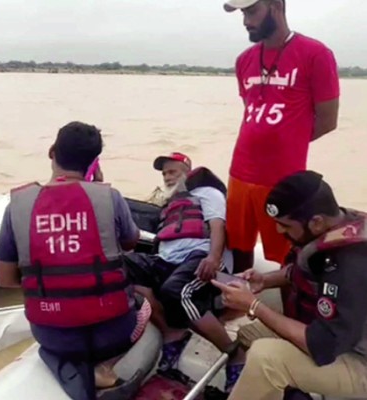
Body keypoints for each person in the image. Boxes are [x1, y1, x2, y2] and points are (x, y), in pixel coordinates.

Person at [0, 121, 141, 400]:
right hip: (113, 331)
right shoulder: (109, 197)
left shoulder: (17, 206)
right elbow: (130, 243)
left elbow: (5, 279)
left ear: (52, 152)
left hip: (51, 334)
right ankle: (106, 366)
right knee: (144, 301)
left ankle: (74, 368)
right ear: (94, 163)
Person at [213, 171, 367, 400]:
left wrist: (254, 306)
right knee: (249, 334)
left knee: (266, 359)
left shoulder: (349, 265)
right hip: (340, 337)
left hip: (358, 361)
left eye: (285, 225)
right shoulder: (339, 222)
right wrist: (264, 280)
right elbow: (306, 271)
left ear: (316, 222)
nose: (278, 231)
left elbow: (322, 345)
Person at [223, 0, 341, 273]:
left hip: (282, 179)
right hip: (239, 172)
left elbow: (327, 121)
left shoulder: (316, 54)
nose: (245, 21)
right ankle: (241, 306)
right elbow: (253, 111)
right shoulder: (244, 60)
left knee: (287, 256)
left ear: (276, 5)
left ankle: (291, 312)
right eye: (243, 13)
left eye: (251, 11)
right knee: (239, 247)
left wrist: (287, 140)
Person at [124, 152, 242, 392]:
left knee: (175, 290)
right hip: (165, 259)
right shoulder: (170, 204)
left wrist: (213, 257)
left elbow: (217, 225)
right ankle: (173, 333)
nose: (167, 177)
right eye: (165, 173)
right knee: (124, 267)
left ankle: (235, 354)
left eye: (173, 171)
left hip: (197, 256)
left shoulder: (208, 193)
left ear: (187, 171)